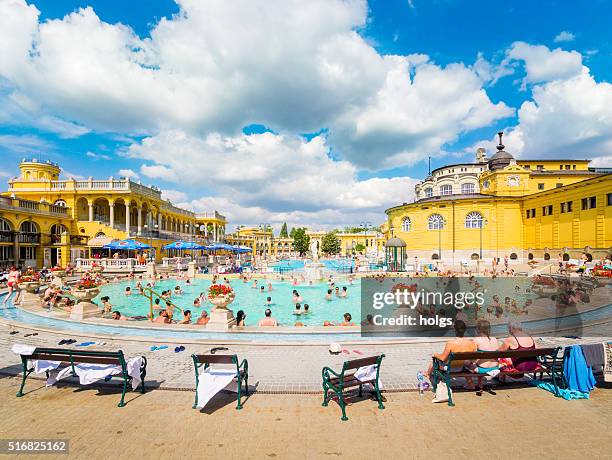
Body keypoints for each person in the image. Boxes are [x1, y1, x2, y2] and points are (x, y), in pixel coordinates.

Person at [468, 319, 499, 395]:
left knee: (468, 363)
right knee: (481, 360)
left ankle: (470, 384)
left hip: (481, 369)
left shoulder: (476, 340)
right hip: (495, 367)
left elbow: (473, 356)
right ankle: (479, 383)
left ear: (478, 329)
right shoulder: (494, 339)